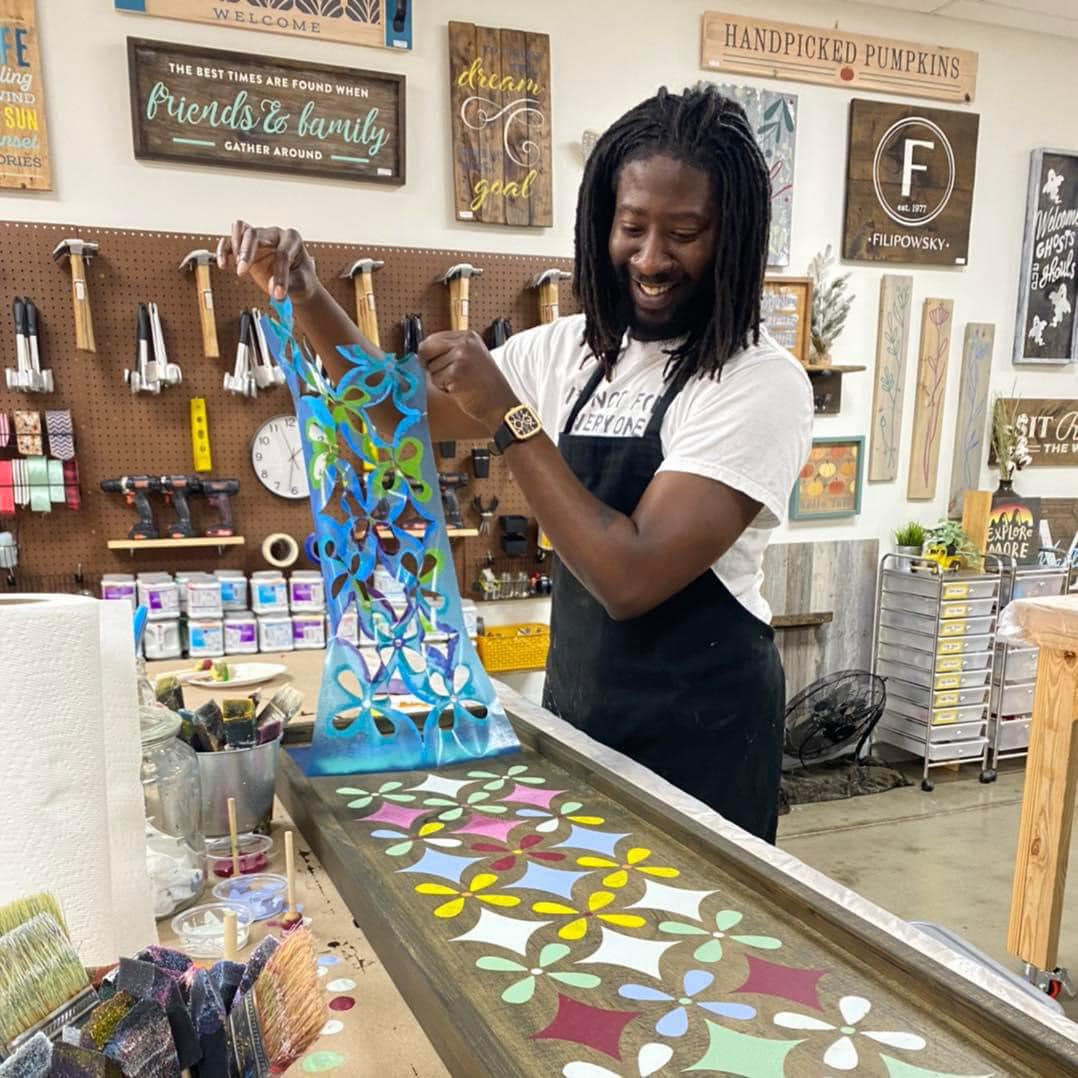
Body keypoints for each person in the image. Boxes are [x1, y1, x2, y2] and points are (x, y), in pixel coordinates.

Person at [218, 83, 812, 843]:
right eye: (632, 227)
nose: (651, 258)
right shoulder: (570, 350)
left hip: (704, 740)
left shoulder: (757, 383)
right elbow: (390, 408)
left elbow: (629, 577)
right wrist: (305, 295)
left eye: (685, 233)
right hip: (585, 717)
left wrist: (507, 414)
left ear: (732, 235)